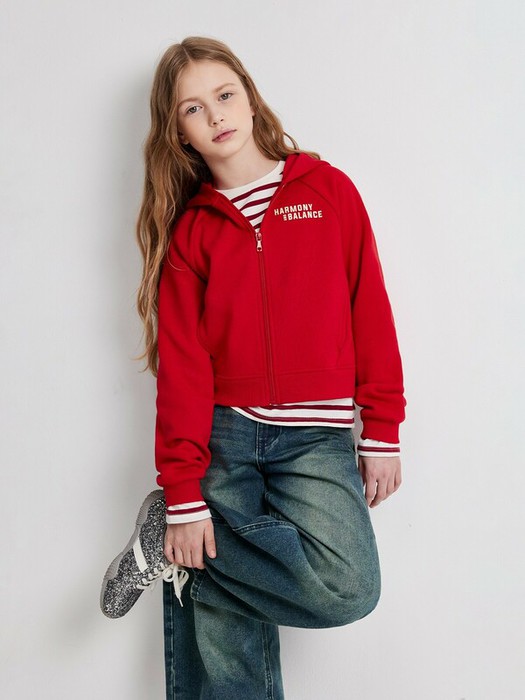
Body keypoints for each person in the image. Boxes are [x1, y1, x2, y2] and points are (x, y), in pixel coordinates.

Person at [101, 36, 406, 700]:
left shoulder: (327, 191)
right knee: (227, 653)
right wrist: (185, 491)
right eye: (192, 109)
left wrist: (382, 428)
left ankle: (170, 547)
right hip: (226, 436)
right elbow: (184, 370)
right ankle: (179, 536)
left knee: (348, 587)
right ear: (178, 134)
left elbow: (370, 308)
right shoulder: (192, 232)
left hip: (316, 439)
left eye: (224, 94)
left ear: (249, 97)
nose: (215, 115)